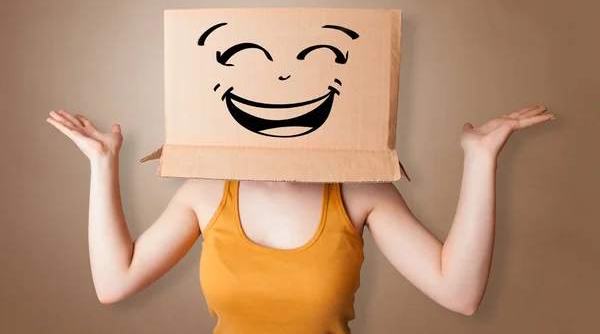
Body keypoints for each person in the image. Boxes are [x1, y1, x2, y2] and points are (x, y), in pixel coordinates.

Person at [46, 105, 554, 333]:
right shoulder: (205, 188)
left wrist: (481, 158)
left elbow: (459, 293)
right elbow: (115, 282)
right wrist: (102, 162)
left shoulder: (358, 188)